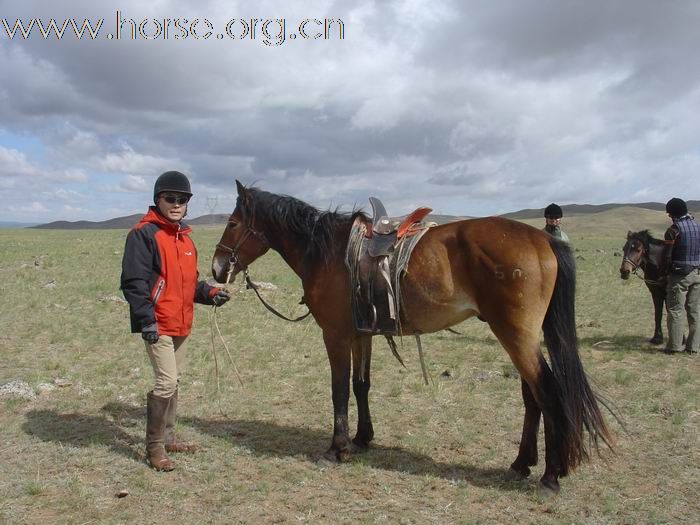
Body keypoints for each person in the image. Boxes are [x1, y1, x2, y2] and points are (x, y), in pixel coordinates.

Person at [120, 170, 232, 471]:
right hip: (158, 324)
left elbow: (188, 283)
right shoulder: (143, 234)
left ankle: (168, 439)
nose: (177, 204)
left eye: (182, 200)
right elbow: (134, 283)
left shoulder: (185, 238)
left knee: (173, 381)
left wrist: (210, 293)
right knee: (166, 381)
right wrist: (146, 321)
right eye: (171, 198)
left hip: (181, 322)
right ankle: (154, 449)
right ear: (158, 199)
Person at [662, 197, 700, 355]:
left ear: (673, 213)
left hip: (679, 276)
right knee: (694, 310)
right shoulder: (698, 227)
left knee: (676, 310)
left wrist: (664, 272)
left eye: (670, 214)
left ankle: (675, 347)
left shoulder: (673, 230)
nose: (670, 216)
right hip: (697, 273)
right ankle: (693, 347)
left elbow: (667, 256)